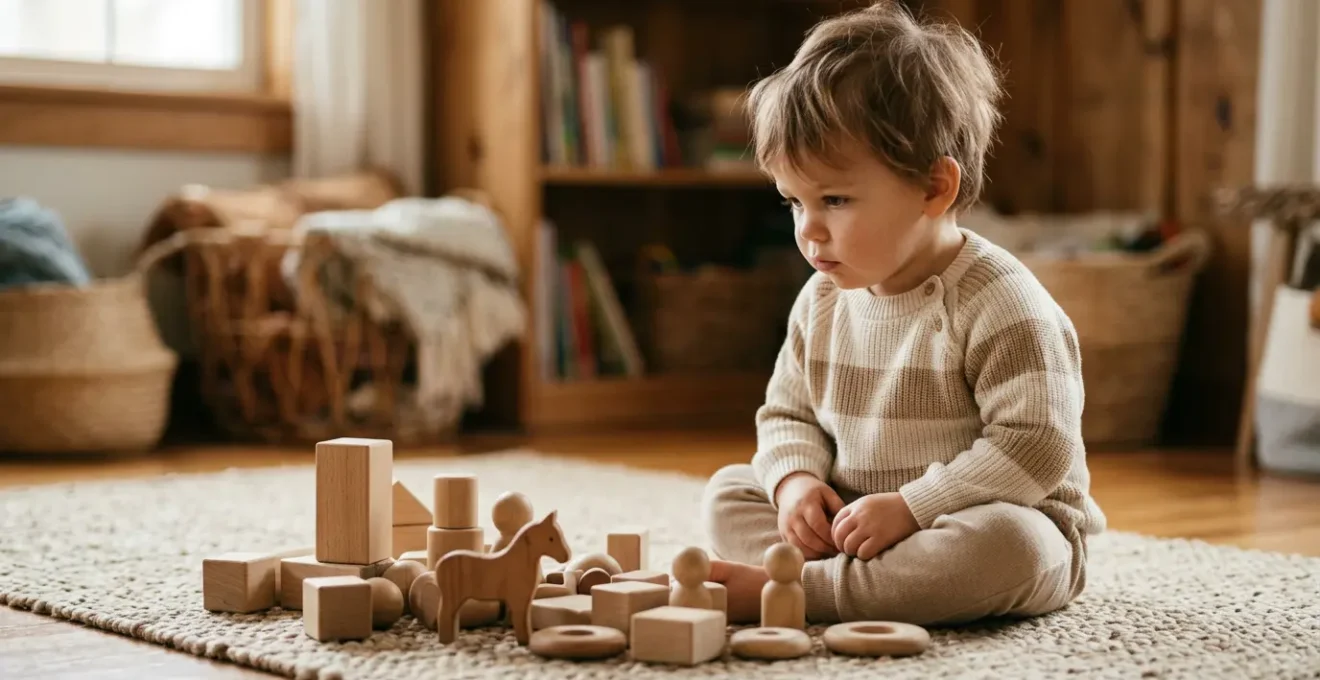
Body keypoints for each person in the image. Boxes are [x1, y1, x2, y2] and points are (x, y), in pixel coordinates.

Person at [700, 0, 1106, 626]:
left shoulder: (1004, 303)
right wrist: (797, 485)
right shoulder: (822, 298)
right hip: (853, 517)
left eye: (834, 199)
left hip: (977, 516)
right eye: (793, 201)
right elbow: (787, 413)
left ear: (933, 188)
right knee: (730, 491)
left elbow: (1037, 449)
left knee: (1015, 548)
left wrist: (915, 506)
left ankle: (802, 592)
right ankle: (838, 580)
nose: (809, 230)